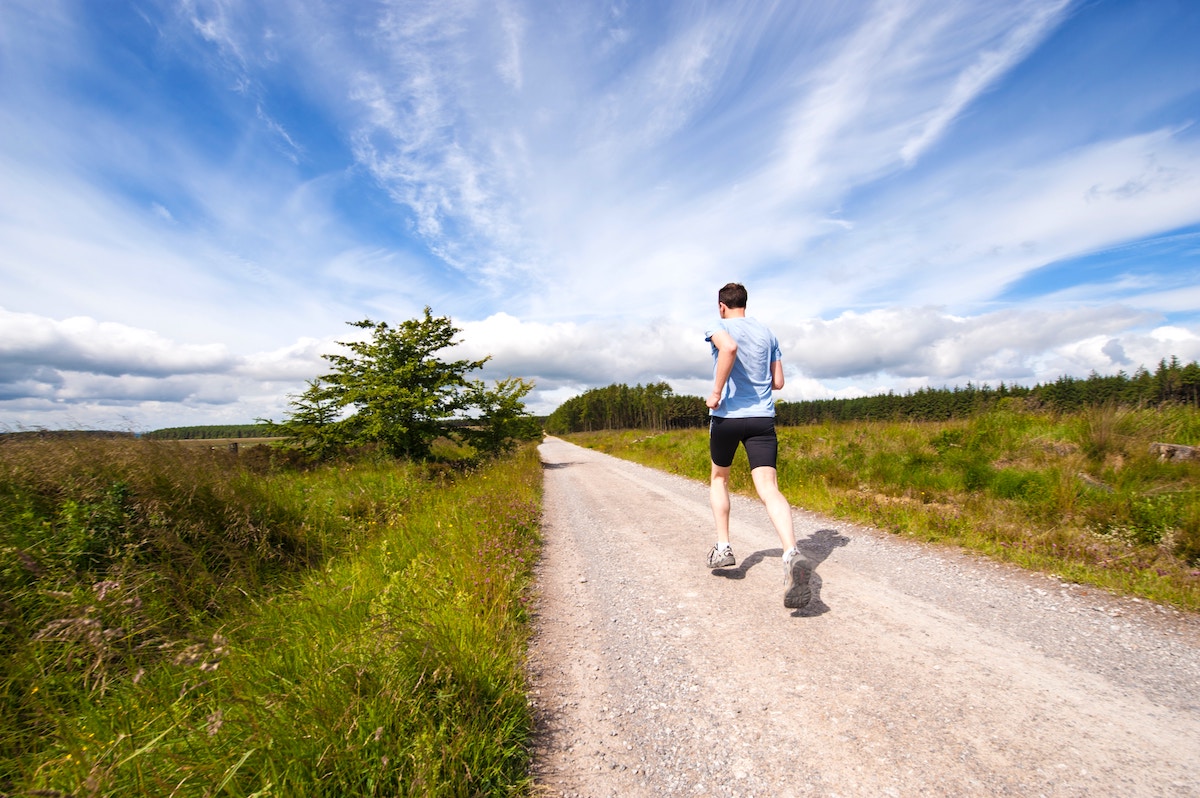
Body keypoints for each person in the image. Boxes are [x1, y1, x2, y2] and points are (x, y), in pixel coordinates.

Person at [704, 282, 812, 609]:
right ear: (745, 304)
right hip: (762, 418)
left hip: (727, 418)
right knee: (768, 487)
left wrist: (717, 392)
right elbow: (778, 382)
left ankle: (723, 548)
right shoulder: (767, 333)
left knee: (720, 478)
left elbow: (729, 349)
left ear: (722, 306)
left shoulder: (718, 326)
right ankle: (791, 552)